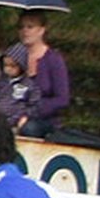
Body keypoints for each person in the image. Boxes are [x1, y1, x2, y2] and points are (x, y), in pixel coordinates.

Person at [15, 11, 71, 139]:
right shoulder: (15, 58)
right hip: (15, 113)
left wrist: (30, 113)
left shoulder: (53, 60)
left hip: (44, 119)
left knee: (29, 129)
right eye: (21, 27)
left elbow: (62, 99)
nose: (24, 31)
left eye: (30, 27)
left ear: (41, 30)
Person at [0, 42, 41, 132]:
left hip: (15, 121)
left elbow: (34, 104)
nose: (8, 69)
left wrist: (25, 116)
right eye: (5, 65)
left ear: (21, 66)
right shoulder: (2, 82)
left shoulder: (29, 85)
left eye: (12, 66)